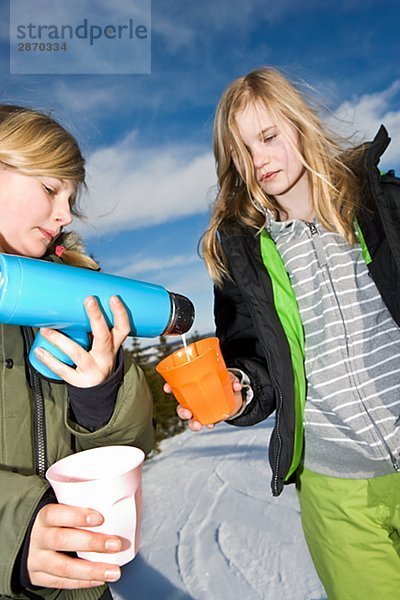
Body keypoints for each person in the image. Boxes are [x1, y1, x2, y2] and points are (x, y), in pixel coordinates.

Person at [175, 68, 400, 599]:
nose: (259, 161)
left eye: (268, 137)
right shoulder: (243, 255)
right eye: (242, 152)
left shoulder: (385, 204)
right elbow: (255, 359)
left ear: (299, 126)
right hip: (337, 492)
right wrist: (237, 391)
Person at [0, 105, 154, 600]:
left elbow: (126, 451)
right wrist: (15, 535)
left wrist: (99, 393)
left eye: (70, 197)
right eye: (49, 189)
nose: (64, 214)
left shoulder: (68, 301)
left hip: (82, 586)